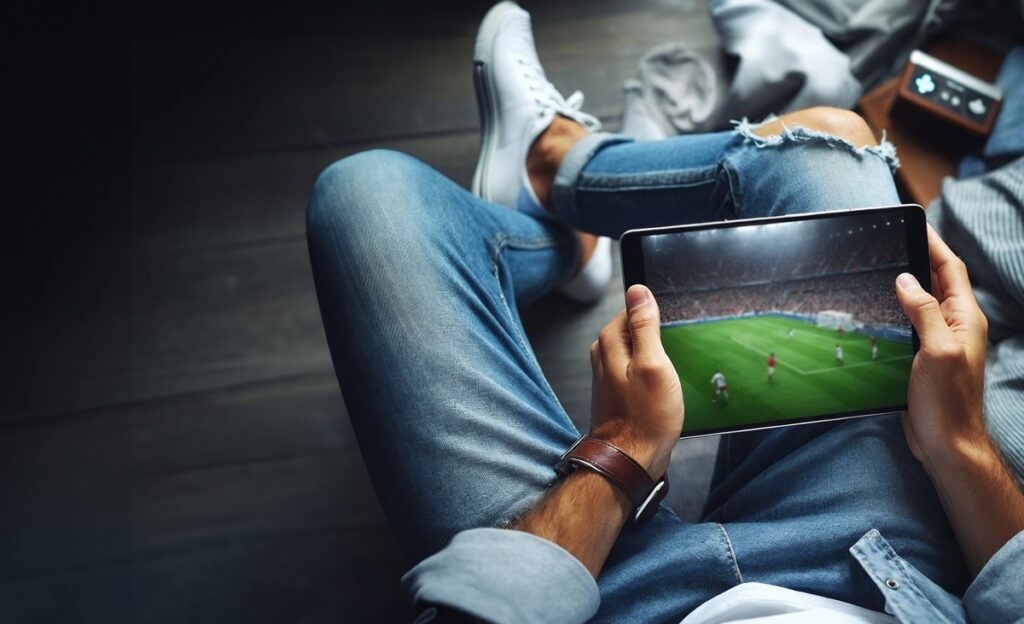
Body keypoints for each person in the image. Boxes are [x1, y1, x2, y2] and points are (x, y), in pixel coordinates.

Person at [306, 3, 1024, 622]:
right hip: (874, 568)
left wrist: (623, 447)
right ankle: (558, 184)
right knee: (831, 141)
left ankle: (557, 209)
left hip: (592, 599)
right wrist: (959, 441)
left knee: (367, 198)